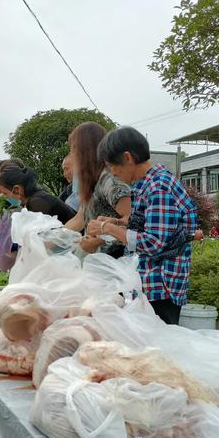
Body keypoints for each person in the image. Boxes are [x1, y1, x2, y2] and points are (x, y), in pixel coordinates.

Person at [88, 126, 198, 325]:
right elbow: (148, 223)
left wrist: (108, 229)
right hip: (148, 284)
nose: (112, 173)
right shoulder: (146, 183)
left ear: (128, 158)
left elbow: (153, 242)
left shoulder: (159, 187)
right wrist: (118, 222)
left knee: (158, 347)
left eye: (112, 166)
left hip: (161, 287)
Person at [64, 122, 131, 257]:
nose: (71, 155)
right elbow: (79, 219)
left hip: (117, 263)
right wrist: (52, 237)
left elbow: (133, 221)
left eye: (73, 149)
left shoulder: (110, 181)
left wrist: (99, 241)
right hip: (98, 262)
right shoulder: (92, 183)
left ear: (85, 151)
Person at [0, 167, 75, 224]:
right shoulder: (36, 198)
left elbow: (40, 236)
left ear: (17, 189)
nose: (5, 198)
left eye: (5, 193)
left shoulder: (37, 202)